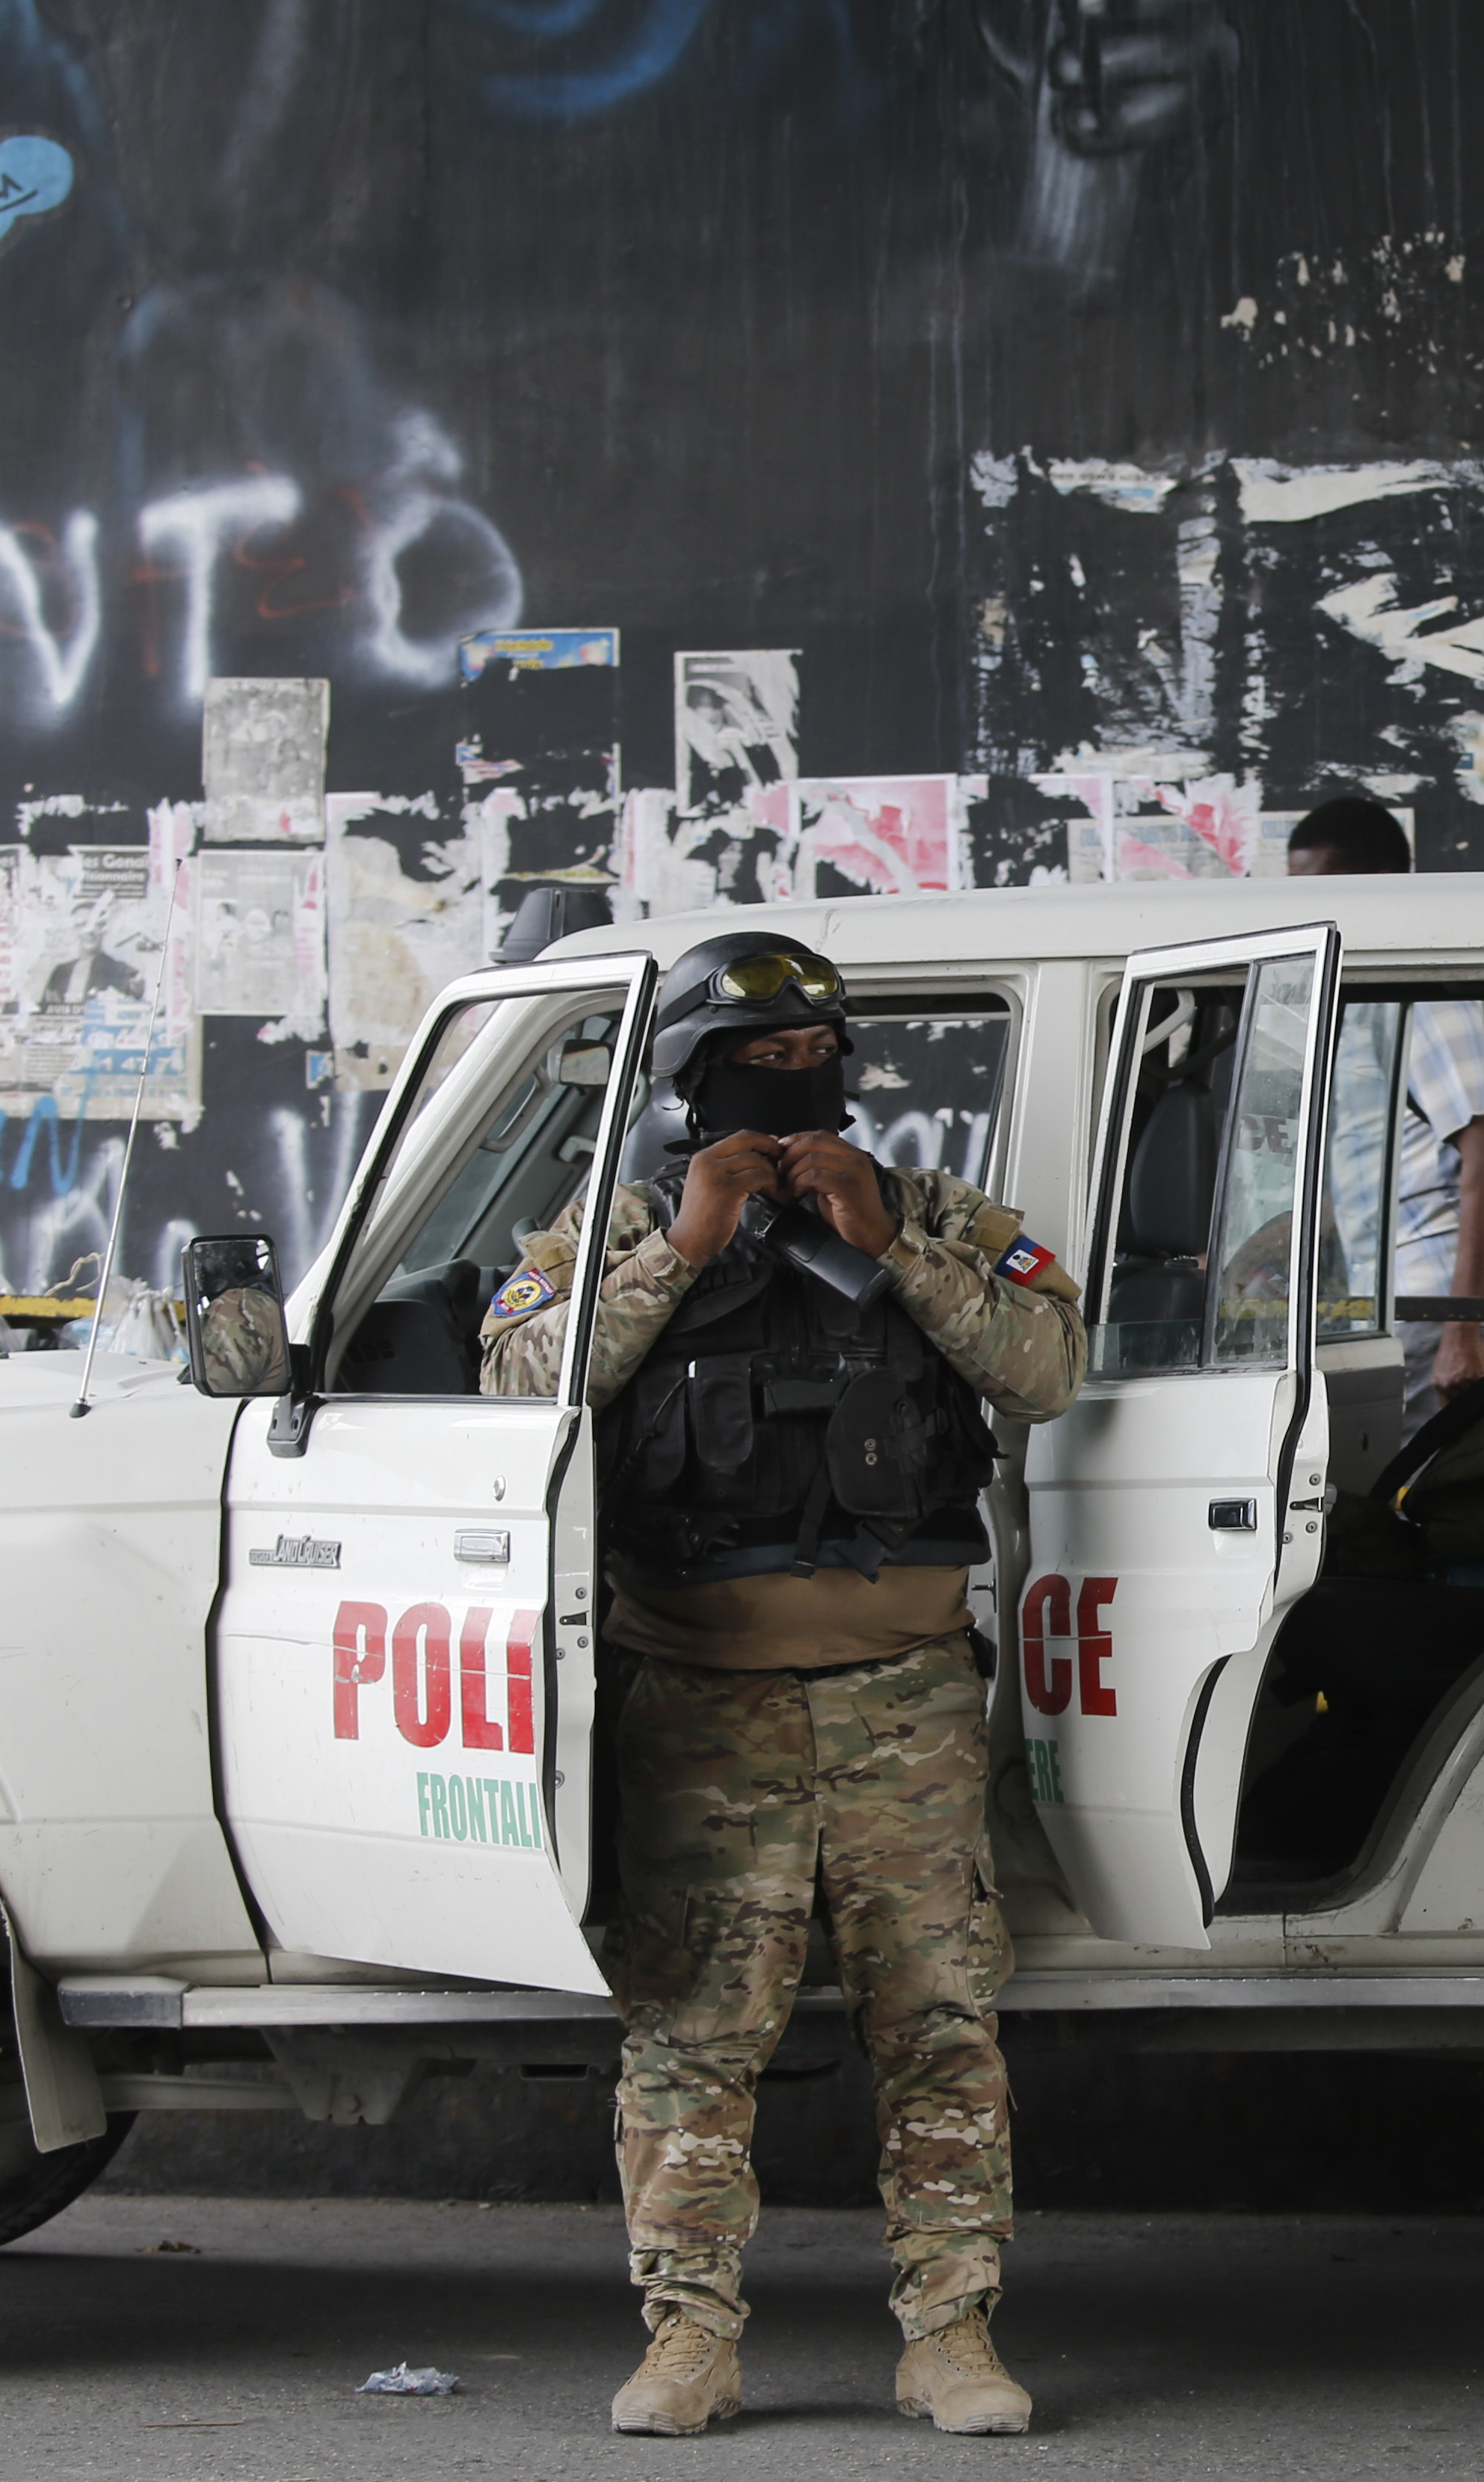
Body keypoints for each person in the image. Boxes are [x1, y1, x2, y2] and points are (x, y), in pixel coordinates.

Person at [480, 933, 1084, 2441]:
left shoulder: (934, 1212)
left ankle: (951, 2337)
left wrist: (885, 1243)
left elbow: (1047, 1364)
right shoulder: (618, 1220)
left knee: (939, 2027)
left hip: (904, 1709)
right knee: (689, 2033)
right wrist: (681, 1246)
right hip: (699, 1709)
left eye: (821, 1053)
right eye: (766, 1059)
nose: (799, 1078)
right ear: (692, 1076)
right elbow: (516, 1379)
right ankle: (689, 2338)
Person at [1285, 796, 1484, 1421]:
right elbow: (1369, 1175)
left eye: (1320, 889)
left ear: (1381, 884)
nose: (1304, 910)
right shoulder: (1369, 996)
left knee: (1426, 1505)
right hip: (1396, 1303)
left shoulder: (1431, 996)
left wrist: (1462, 1330)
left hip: (1441, 1304)